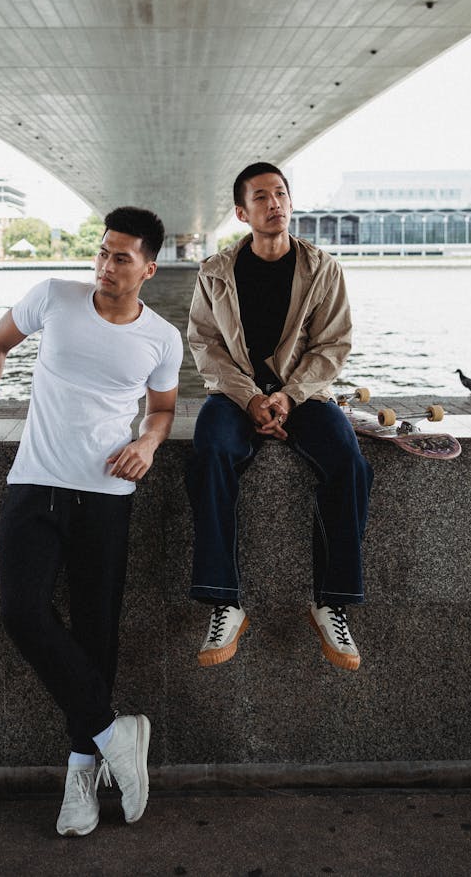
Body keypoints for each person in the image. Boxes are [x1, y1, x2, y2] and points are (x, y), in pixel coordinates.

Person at [0, 207, 182, 837]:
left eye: (122, 257)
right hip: (34, 483)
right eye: (103, 252)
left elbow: (162, 409)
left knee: (96, 632)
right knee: (21, 612)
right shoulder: (53, 297)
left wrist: (149, 444)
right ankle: (115, 731)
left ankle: (82, 771)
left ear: (149, 268)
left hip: (106, 494)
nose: (107, 266)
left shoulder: (161, 337)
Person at [186, 163, 373, 672]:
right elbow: (205, 344)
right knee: (212, 452)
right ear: (242, 212)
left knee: (349, 462)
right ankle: (225, 601)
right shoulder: (215, 272)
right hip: (235, 394)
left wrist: (288, 396)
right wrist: (250, 398)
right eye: (262, 196)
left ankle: (331, 602)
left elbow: (333, 346)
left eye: (282, 193)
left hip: (306, 394)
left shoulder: (323, 268)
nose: (276, 203)